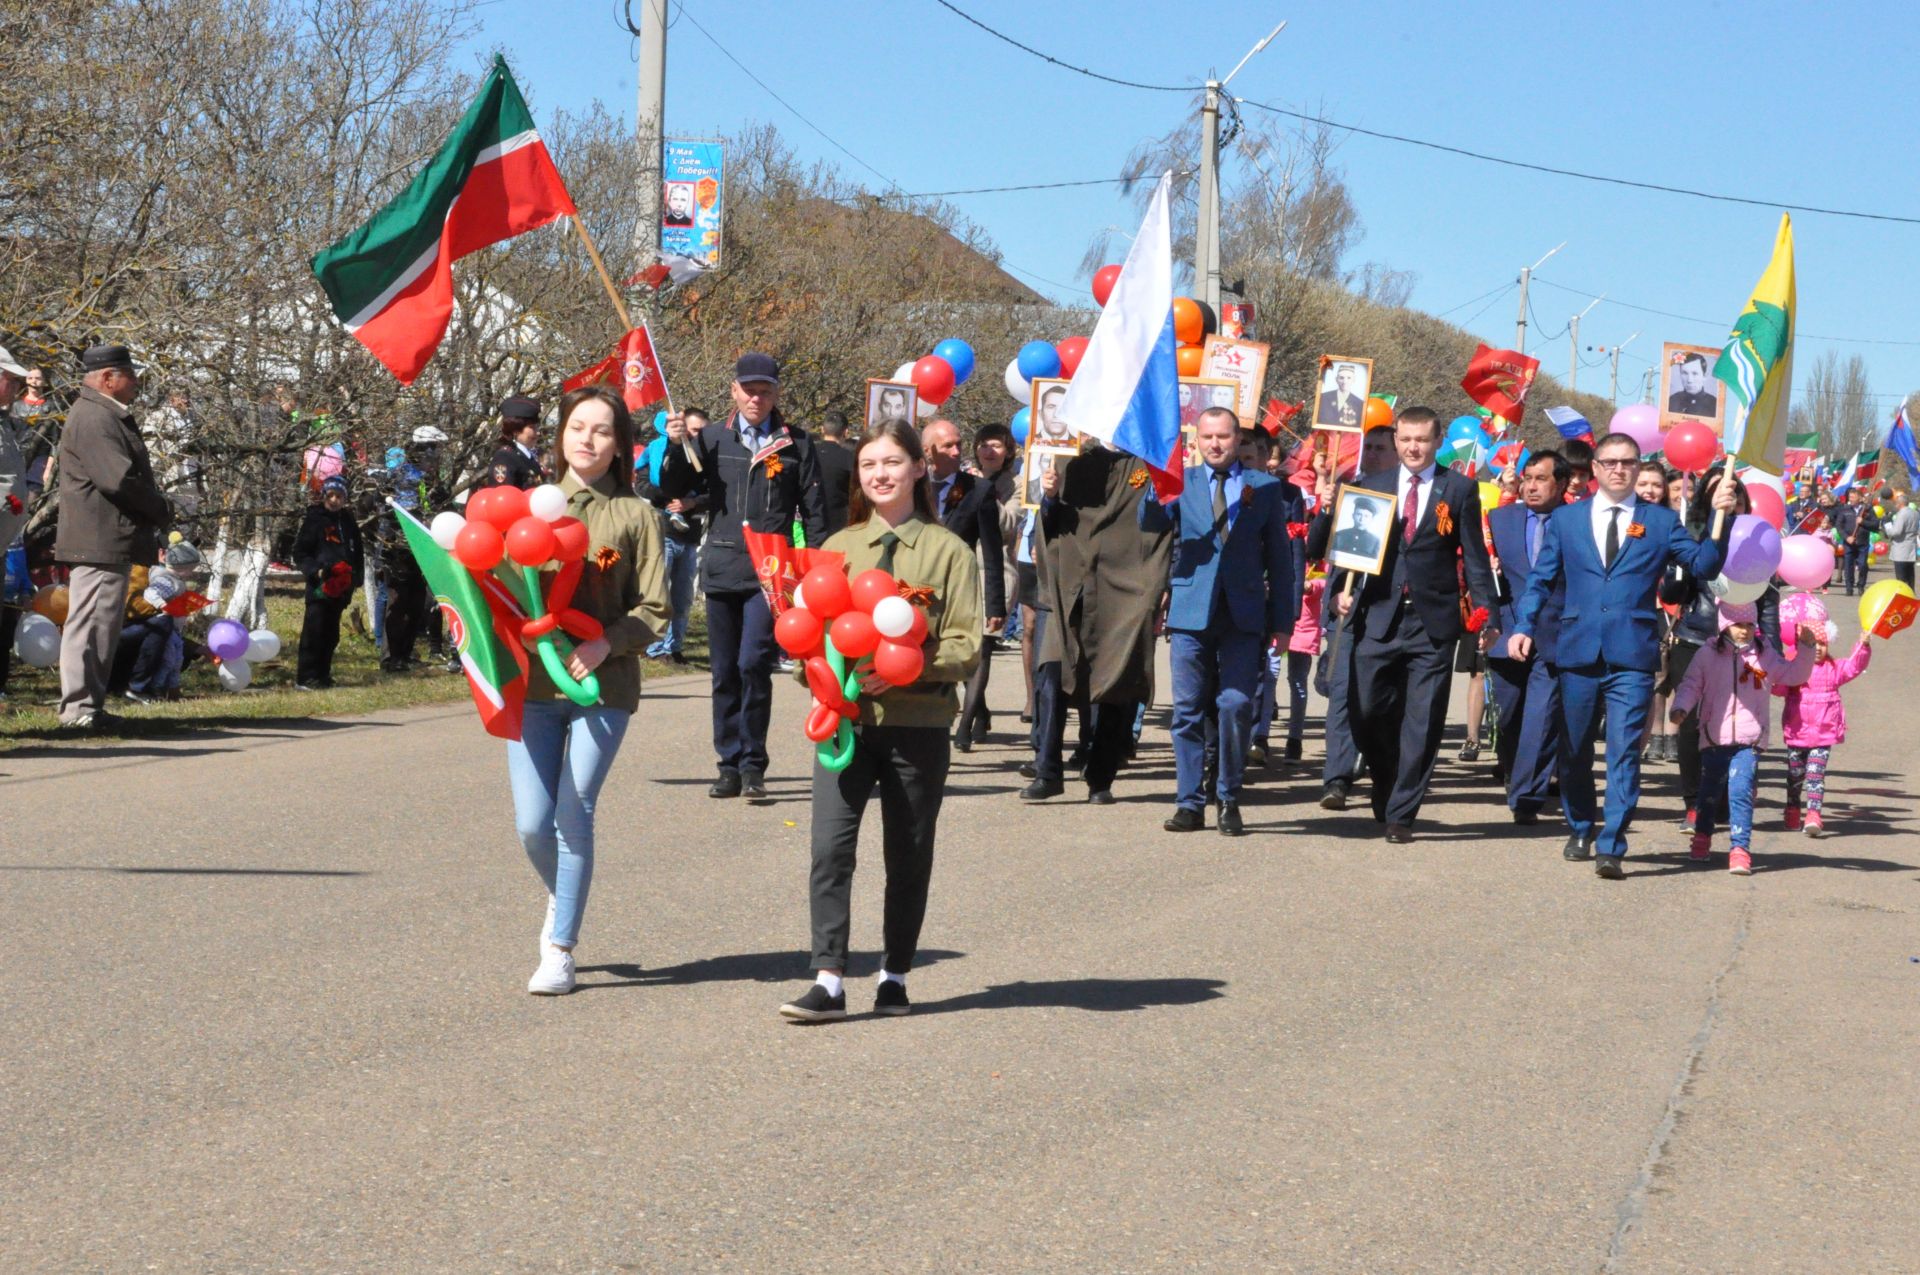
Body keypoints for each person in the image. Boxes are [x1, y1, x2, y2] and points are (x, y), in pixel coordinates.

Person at [778, 421, 981, 1022]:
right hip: (844, 723)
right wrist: (812, 670)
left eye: (892, 462)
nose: (880, 475)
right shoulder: (837, 549)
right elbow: (809, 633)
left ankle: (895, 973)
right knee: (829, 849)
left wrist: (907, 671)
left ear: (919, 468)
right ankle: (830, 978)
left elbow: (968, 646)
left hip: (917, 724)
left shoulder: (949, 552)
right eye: (869, 465)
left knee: (909, 852)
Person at [1510, 432, 1738, 876]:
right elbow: (1541, 580)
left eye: (1628, 463)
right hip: (1576, 650)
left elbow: (1705, 565)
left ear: (1638, 468)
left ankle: (1612, 842)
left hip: (1632, 654)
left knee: (1623, 751)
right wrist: (1524, 626)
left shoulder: (1659, 521)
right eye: (1610, 462)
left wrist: (1719, 517)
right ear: (1594, 469)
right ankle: (1580, 825)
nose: (1619, 469)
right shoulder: (1567, 520)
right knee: (1574, 748)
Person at [511, 386, 670, 994]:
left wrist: (606, 643)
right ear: (560, 436)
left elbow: (657, 605)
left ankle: (560, 948)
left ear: (620, 446)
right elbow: (497, 590)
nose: (588, 439)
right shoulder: (527, 507)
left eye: (603, 430)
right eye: (578, 427)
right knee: (532, 823)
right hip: (533, 683)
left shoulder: (636, 515)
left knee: (573, 813)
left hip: (603, 684)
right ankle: (564, 896)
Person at [1308, 407, 1498, 842]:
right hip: (1376, 615)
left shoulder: (1460, 487)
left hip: (1432, 621)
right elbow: (1339, 551)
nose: (1414, 447)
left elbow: (1474, 557)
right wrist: (1339, 587)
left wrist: (1488, 613)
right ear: (1396, 440)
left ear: (1437, 442)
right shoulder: (1367, 487)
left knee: (1423, 720)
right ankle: (1385, 774)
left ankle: (1403, 812)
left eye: (1423, 440)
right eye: (1406, 439)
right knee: (1366, 710)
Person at [661, 353, 828, 800]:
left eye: (765, 390)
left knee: (754, 662)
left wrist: (814, 569)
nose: (757, 397)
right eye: (749, 389)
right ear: (734, 390)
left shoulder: (796, 444)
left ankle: (754, 763)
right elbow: (674, 487)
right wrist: (677, 445)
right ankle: (729, 764)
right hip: (721, 565)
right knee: (724, 672)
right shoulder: (712, 438)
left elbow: (814, 514)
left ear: (776, 393)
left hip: (770, 574)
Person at [1146, 407, 1301, 835]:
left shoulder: (1265, 488)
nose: (1216, 444)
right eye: (1207, 436)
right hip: (1192, 609)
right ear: (1196, 440)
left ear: (1237, 440)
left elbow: (1279, 559)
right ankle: (1189, 802)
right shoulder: (1181, 482)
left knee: (1235, 704)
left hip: (1244, 612)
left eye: (1224, 436)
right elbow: (1150, 523)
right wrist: (1151, 482)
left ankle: (1228, 795)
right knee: (1188, 711)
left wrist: (1283, 621)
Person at [1024, 442, 1172, 803]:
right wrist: (1049, 495)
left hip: (1124, 587)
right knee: (1052, 677)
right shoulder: (1071, 459)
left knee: (1115, 681)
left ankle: (1100, 776)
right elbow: (1047, 523)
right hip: (1068, 586)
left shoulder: (1151, 462)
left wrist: (1159, 584)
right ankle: (1048, 771)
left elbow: (1168, 524)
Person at [53, 345, 170, 731]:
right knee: (88, 625)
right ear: (107, 378)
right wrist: (159, 507)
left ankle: (90, 707)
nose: (135, 383)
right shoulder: (94, 416)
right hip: (98, 535)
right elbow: (116, 479)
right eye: (130, 375)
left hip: (106, 535)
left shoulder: (101, 413)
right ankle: (78, 710)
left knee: (101, 624)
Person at [1669, 600, 1812, 874]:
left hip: (1749, 740)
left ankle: (1739, 849)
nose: (1744, 631)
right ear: (1724, 626)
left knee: (1740, 792)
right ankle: (1702, 838)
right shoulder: (1707, 655)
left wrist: (1806, 649)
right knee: (1708, 795)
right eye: (1737, 625)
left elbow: (1793, 675)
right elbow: (1691, 684)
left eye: (1749, 625)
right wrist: (1681, 708)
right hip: (1714, 738)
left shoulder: (1763, 656)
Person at [1486, 451, 1571, 824]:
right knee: (1509, 718)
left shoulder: (1576, 523)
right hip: (1506, 631)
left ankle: (1526, 797)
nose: (1532, 485)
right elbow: (1479, 575)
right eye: (1528, 478)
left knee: (1541, 718)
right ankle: (1513, 771)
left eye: (1541, 478)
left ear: (1563, 484)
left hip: (1556, 635)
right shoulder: (1499, 520)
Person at [1316, 423, 1397, 810]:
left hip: (1391, 616)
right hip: (1347, 612)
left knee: (1375, 700)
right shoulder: (1350, 493)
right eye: (1371, 448)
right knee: (1341, 697)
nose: (1374, 455)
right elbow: (1320, 549)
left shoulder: (1410, 499)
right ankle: (1337, 778)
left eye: (1383, 448)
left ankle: (1379, 764)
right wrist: (1326, 507)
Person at [920, 419, 1006, 751]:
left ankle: (966, 723)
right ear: (928, 451)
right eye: (948, 446)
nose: (957, 451)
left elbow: (993, 551)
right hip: (919, 591)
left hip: (962, 588)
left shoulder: (978, 490)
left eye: (959, 444)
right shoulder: (910, 485)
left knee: (976, 652)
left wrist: (994, 604)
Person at [1773, 597, 1870, 838]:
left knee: (1816, 774)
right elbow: (1778, 688)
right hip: (1797, 732)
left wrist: (1863, 646)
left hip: (1824, 732)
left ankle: (1813, 814)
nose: (1817, 648)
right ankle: (1793, 808)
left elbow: (1853, 667)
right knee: (1795, 775)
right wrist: (1766, 677)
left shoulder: (1833, 668)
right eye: (1812, 644)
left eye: (1822, 644)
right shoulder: (1794, 668)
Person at [956, 421, 1022, 749]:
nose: (988, 450)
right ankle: (979, 709)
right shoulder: (962, 482)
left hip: (997, 572)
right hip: (963, 572)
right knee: (963, 649)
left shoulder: (1016, 484)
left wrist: (985, 493)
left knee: (982, 647)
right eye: (983, 444)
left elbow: (1008, 525)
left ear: (1008, 451)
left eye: (996, 445)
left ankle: (964, 725)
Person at [635, 408, 706, 664]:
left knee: (683, 596)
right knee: (659, 593)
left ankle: (674, 647)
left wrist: (692, 502)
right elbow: (642, 483)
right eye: (694, 430)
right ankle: (655, 647)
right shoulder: (656, 451)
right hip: (662, 532)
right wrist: (666, 498)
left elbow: (711, 491)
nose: (697, 435)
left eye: (701, 430)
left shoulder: (704, 456)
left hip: (689, 535)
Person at [292, 475, 365, 690]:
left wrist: (356, 577)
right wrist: (316, 570)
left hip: (341, 587)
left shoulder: (348, 521)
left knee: (331, 634)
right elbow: (300, 552)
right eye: (331, 495)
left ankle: (323, 674)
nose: (334, 500)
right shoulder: (315, 519)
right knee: (314, 632)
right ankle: (306, 677)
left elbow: (357, 550)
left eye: (339, 496)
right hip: (319, 587)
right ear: (324, 495)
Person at [480, 395, 545, 490]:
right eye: (532, 428)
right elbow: (504, 496)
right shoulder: (505, 457)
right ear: (515, 430)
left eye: (537, 428)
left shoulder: (528, 457)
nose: (538, 432)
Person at [814, 411, 856, 535]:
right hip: (838, 525)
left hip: (807, 521)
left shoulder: (808, 455)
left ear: (822, 429)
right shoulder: (850, 458)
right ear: (846, 432)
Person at [1833, 487, 1879, 595]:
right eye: (1850, 497)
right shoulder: (1845, 509)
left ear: (1860, 497)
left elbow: (1875, 524)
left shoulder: (1867, 509)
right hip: (1849, 543)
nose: (1851, 499)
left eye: (1853, 497)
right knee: (1848, 566)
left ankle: (1861, 585)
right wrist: (1846, 537)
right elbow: (1839, 526)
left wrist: (1863, 522)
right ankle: (1849, 587)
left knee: (1863, 565)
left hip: (1862, 542)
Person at [1666, 352, 1718, 417]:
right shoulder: (1671, 401)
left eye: (1695, 373)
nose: (1689, 380)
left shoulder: (1715, 404)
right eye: (1685, 373)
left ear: (1704, 376)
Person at [1316, 362, 1365, 429]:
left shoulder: (1360, 404)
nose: (1344, 381)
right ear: (1336, 379)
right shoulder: (1323, 397)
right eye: (1341, 378)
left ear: (1354, 379)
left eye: (1349, 378)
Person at [1885, 489, 1916, 589]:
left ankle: (1903, 596)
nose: (1895, 505)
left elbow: (1896, 531)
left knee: (1901, 577)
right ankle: (1911, 594)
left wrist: (1888, 528)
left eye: (1896, 503)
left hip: (1901, 548)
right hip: (1911, 547)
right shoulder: (1915, 513)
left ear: (1900, 504)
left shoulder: (1902, 514)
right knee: (1910, 575)